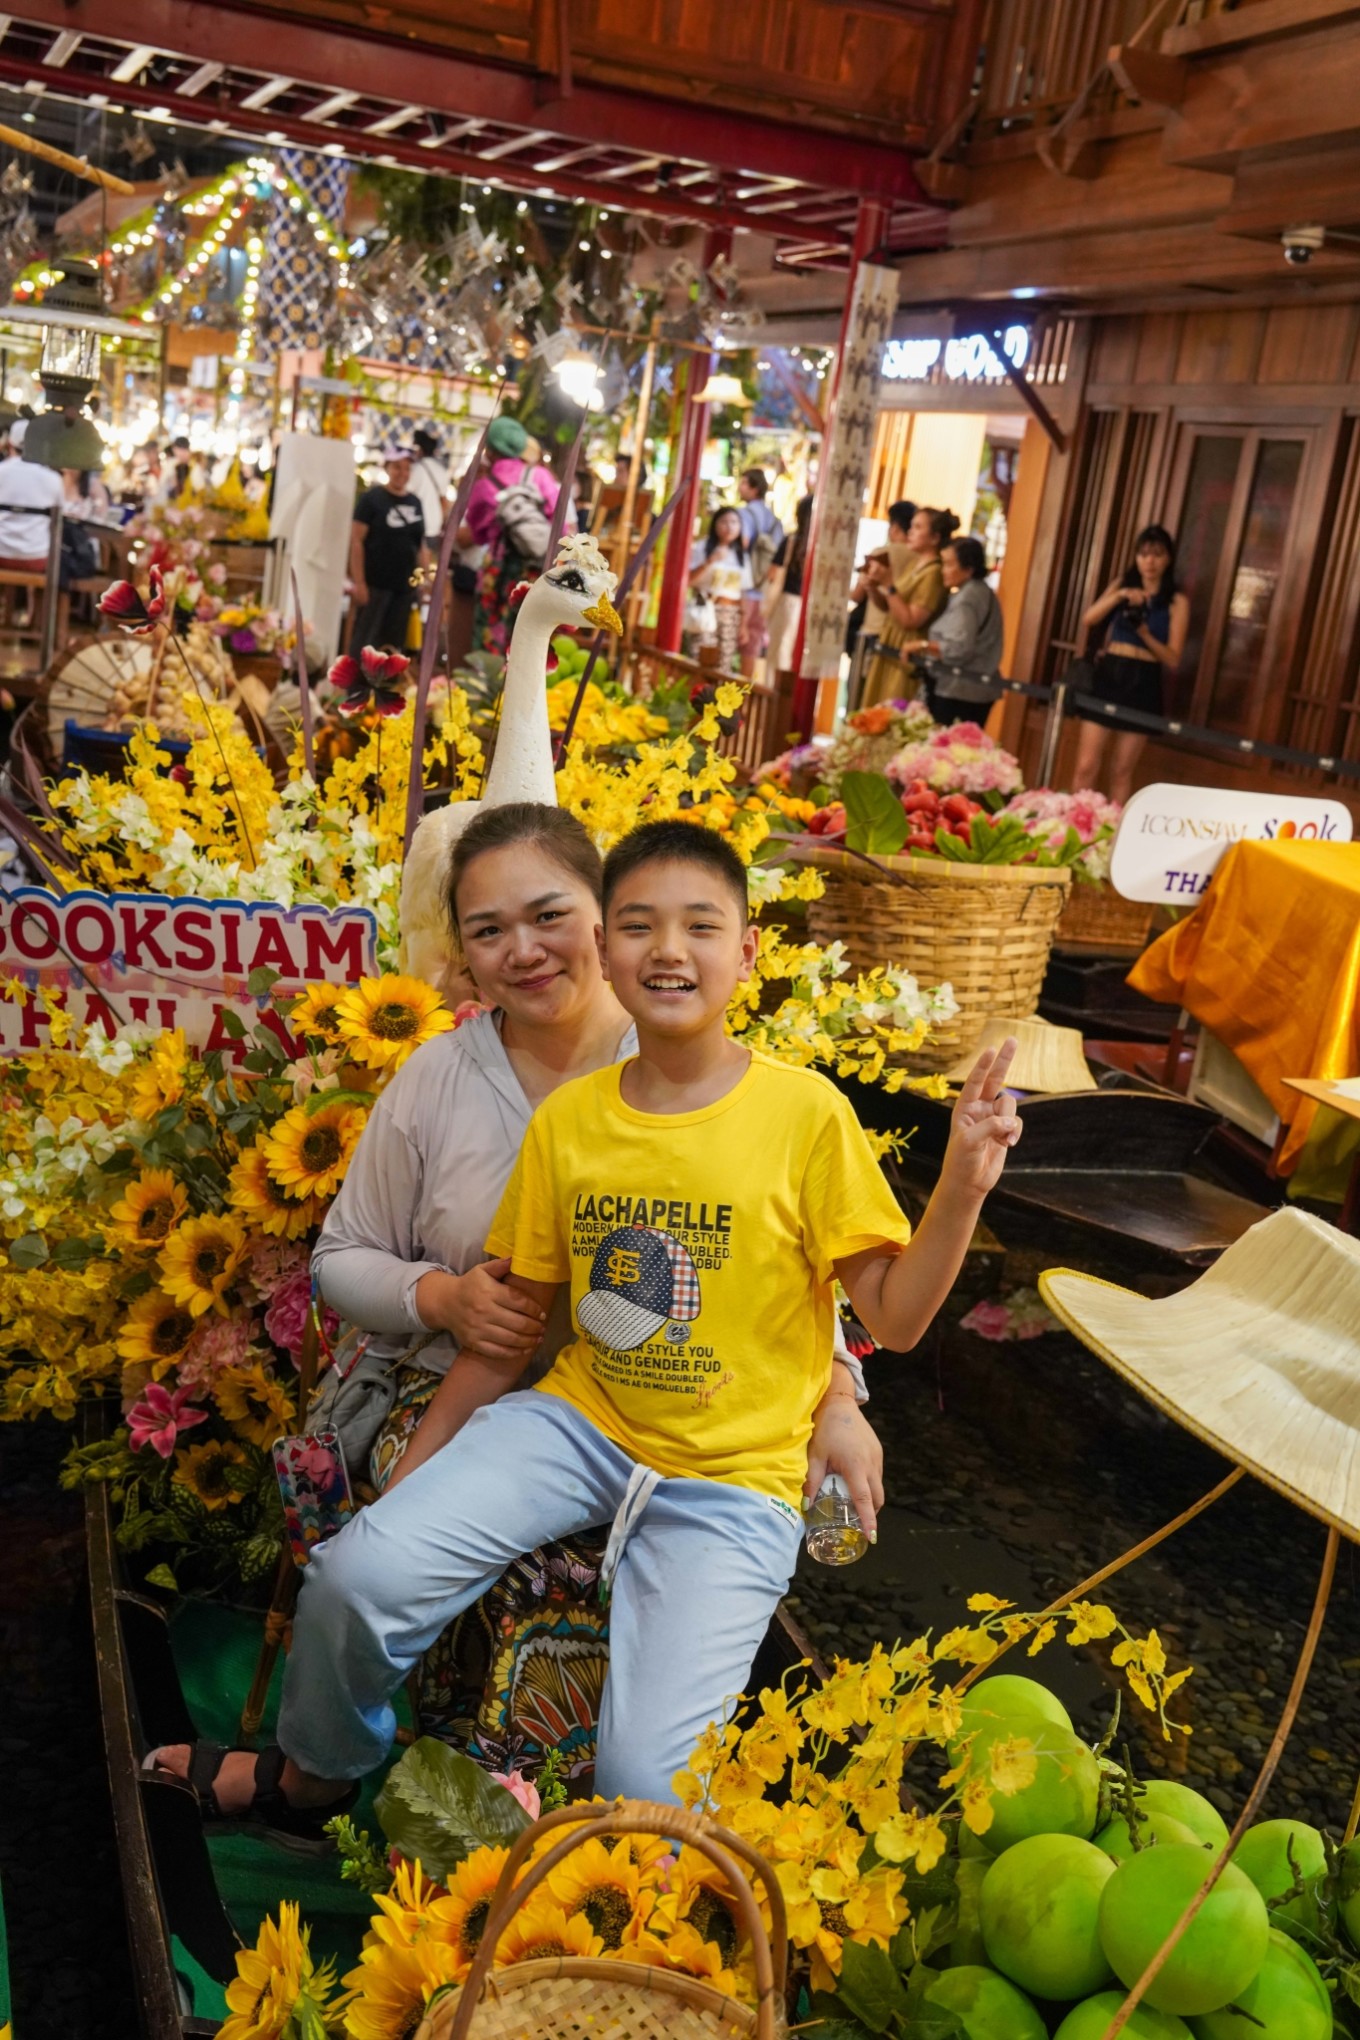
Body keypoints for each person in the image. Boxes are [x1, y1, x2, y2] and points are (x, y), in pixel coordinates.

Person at [147, 804, 883, 1825]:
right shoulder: (439, 1078)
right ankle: (320, 1765)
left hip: (684, 1415)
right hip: (466, 1380)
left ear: (609, 922)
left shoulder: (695, 1050)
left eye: (550, 916)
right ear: (463, 955)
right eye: (488, 931)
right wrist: (438, 1296)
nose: (524, 951)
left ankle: (550, 1815)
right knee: (369, 1568)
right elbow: (340, 1260)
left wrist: (840, 1396)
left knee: (604, 1617)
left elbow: (790, 1271)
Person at [1073, 524, 1189, 805]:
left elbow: (1173, 658)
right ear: (1136, 557)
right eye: (1144, 554)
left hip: (1145, 680)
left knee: (1122, 770)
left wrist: (1144, 632)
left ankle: (1114, 836)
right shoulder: (1122, 584)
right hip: (1110, 672)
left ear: (1168, 559)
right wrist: (1121, 595)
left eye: (1157, 555)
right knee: (1086, 764)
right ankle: (1073, 825)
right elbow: (1089, 619)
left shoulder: (1176, 601)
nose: (1149, 561)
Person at [461, 416, 561, 656]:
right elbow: (560, 526)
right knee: (527, 635)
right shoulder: (540, 477)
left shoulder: (484, 486)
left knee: (490, 636)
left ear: (490, 448)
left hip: (497, 571)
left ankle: (487, 688)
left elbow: (476, 535)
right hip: (535, 571)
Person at [903, 536, 1005, 726]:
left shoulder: (968, 599)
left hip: (961, 691)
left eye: (949, 565)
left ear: (968, 568)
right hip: (972, 689)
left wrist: (921, 645)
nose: (943, 571)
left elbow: (959, 648)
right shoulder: (979, 592)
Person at [860, 505, 955, 709]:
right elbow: (890, 608)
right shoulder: (915, 564)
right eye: (911, 526)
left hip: (906, 651)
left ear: (934, 538)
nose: (910, 532)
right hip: (889, 641)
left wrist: (888, 584)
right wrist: (872, 589)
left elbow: (910, 620)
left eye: (918, 527)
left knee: (893, 711)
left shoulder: (934, 573)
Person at [348, 447, 429, 659]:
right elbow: (356, 541)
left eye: (407, 468)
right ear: (387, 468)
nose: (402, 473)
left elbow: (420, 545)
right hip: (375, 585)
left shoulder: (415, 502)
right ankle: (356, 688)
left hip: (404, 589)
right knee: (365, 642)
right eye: (397, 467)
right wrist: (360, 582)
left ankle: (388, 688)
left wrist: (424, 579)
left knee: (394, 646)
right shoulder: (372, 499)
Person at [847, 498, 915, 698]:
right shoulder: (920, 559)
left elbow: (857, 595)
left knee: (860, 694)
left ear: (894, 527)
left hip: (874, 631)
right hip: (902, 638)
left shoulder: (881, 554)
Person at [0, 422, 64, 629]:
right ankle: (37, 627)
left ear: (9, 443)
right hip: (36, 559)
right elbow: (59, 521)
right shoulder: (53, 479)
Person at [689, 506, 751, 673]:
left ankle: (718, 698)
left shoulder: (741, 556)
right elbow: (688, 579)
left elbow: (744, 591)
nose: (729, 527)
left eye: (734, 522)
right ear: (715, 524)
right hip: (706, 608)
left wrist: (744, 624)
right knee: (700, 655)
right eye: (724, 521)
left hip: (731, 613)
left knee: (724, 660)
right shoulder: (701, 548)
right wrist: (709, 561)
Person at [735, 467, 783, 675]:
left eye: (744, 482)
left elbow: (742, 543)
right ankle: (743, 697)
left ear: (754, 489)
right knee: (752, 645)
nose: (740, 487)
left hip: (741, 587)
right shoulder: (774, 521)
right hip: (762, 588)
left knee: (731, 640)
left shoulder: (744, 514)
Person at [763, 492, 812, 674]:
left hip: (787, 602)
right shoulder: (820, 546)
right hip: (809, 607)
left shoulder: (792, 541)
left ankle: (775, 695)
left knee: (779, 653)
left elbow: (773, 572)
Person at [408, 427, 451, 544]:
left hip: (414, 522)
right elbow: (443, 500)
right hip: (434, 524)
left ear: (420, 449)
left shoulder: (413, 469)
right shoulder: (442, 471)